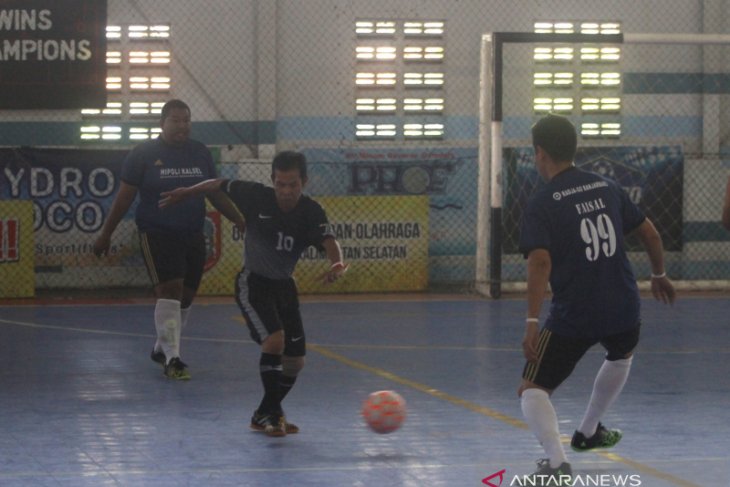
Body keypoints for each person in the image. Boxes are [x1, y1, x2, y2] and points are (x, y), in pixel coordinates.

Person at [517, 114, 676, 484]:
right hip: (624, 307)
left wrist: (530, 321)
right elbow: (650, 234)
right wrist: (658, 275)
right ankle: (588, 431)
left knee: (531, 389)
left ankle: (557, 466)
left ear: (540, 153)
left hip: (575, 313)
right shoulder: (606, 185)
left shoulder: (543, 201)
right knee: (621, 355)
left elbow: (540, 261)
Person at [158, 150, 348, 437]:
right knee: (275, 340)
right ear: (272, 180)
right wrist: (187, 192)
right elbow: (217, 183)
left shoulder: (311, 211)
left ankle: (265, 411)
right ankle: (272, 414)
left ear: (304, 182)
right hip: (253, 283)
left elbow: (328, 240)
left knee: (295, 362)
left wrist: (336, 263)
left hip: (285, 287)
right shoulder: (256, 196)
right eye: (280, 184)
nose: (286, 191)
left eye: (292, 185)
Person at [93, 99, 245, 381]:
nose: (182, 126)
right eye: (175, 120)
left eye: (186, 120)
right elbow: (124, 197)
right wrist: (106, 233)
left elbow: (213, 191)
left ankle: (160, 348)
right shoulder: (143, 154)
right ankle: (173, 358)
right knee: (170, 290)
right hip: (157, 232)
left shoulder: (200, 152)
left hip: (192, 232)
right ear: (162, 123)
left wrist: (237, 218)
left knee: (186, 296)